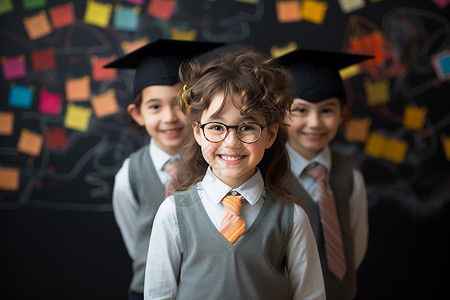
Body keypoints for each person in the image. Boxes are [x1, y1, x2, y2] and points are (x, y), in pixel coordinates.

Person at [144, 47, 326, 300]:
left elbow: (311, 296)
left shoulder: (292, 219)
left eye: (247, 127)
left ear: (271, 134)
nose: (231, 142)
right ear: (197, 131)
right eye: (217, 127)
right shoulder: (173, 213)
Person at [104, 39, 223, 300]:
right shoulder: (128, 175)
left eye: (180, 103)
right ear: (137, 114)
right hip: (148, 289)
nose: (169, 117)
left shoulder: (219, 163)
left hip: (208, 289)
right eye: (155, 106)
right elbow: (136, 243)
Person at [277, 48, 372, 300]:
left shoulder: (350, 175)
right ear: (281, 113)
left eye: (327, 111)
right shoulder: (266, 174)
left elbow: (356, 244)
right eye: (301, 110)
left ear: (342, 114)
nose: (315, 123)